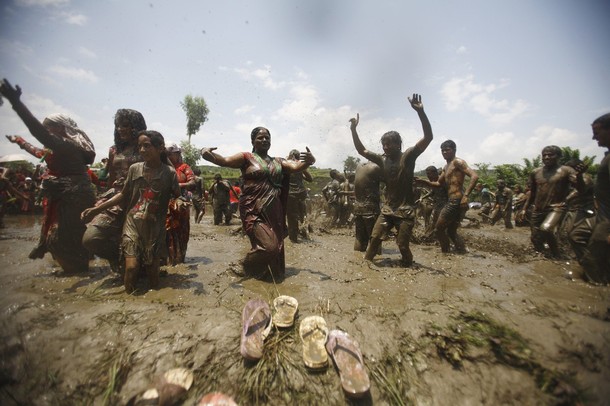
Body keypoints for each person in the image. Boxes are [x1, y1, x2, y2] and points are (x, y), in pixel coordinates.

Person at [1, 78, 96, 273]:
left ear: (60, 129)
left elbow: (37, 133)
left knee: (64, 238)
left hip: (73, 195)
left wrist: (16, 103)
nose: (46, 132)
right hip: (61, 195)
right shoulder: (54, 149)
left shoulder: (67, 145)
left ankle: (76, 271)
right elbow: (36, 150)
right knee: (59, 236)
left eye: (48, 128)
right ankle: (71, 269)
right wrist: (18, 141)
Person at [200, 126, 315, 279]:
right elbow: (224, 161)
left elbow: (295, 167)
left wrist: (309, 162)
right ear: (253, 141)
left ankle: (262, 275)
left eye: (267, 137)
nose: (265, 140)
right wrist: (205, 153)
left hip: (274, 211)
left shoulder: (278, 161)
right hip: (253, 210)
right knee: (269, 247)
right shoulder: (246, 158)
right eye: (260, 137)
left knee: (272, 247)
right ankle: (243, 265)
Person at [82, 131, 180, 293]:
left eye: (146, 146)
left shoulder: (169, 173)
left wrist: (181, 203)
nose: (141, 150)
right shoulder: (135, 169)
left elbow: (178, 196)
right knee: (131, 268)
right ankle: (128, 301)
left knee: (153, 275)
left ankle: (156, 306)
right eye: (139, 146)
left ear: (160, 148)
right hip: (133, 223)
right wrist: (97, 209)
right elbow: (123, 194)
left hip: (154, 228)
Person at [350, 93, 433, 266]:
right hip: (388, 209)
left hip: (406, 211)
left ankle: (409, 265)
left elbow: (428, 138)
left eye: (389, 144)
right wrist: (353, 130)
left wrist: (421, 112)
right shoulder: (382, 160)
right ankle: (366, 265)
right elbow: (362, 151)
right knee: (374, 239)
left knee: (402, 245)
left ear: (398, 145)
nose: (385, 147)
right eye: (383, 144)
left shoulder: (408, 157)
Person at [81, 109, 147, 273]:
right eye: (118, 125)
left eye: (125, 125)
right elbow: (111, 181)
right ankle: (115, 258)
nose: (120, 129)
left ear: (137, 127)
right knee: (91, 239)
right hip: (116, 198)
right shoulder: (113, 151)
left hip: (142, 199)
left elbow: (164, 172)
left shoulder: (147, 148)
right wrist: (101, 202)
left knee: (141, 246)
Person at [521, 145, 585, 258]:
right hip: (538, 208)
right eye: (544, 155)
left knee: (546, 228)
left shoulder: (566, 170)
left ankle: (557, 255)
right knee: (535, 238)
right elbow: (532, 193)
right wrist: (525, 209)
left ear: (559, 156)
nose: (546, 157)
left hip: (557, 207)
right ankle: (542, 257)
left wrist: (579, 177)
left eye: (550, 155)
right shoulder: (535, 172)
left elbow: (580, 188)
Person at [418, 140, 479, 254]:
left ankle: (445, 253)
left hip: (456, 200)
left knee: (438, 229)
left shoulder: (458, 162)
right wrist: (423, 181)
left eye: (447, 150)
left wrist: (466, 196)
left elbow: (474, 176)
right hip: (452, 200)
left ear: (454, 150)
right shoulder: (446, 167)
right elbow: (438, 184)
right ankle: (462, 252)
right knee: (451, 231)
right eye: (442, 150)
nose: (444, 152)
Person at [572, 114, 610, 284]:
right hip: (602, 217)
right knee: (577, 237)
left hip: (606, 222)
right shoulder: (607, 157)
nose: (594, 137)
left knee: (594, 261)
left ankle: (597, 295)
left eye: (597, 132)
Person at [165, 143, 196, 265]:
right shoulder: (163, 168)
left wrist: (177, 186)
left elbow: (192, 183)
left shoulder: (184, 167)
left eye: (170, 154)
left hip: (180, 203)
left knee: (181, 230)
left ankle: (180, 259)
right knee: (167, 231)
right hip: (165, 204)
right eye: (166, 154)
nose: (168, 156)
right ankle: (169, 260)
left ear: (177, 154)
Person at [352, 161, 383, 252]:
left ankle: (357, 258)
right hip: (371, 208)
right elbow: (391, 181)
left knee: (359, 238)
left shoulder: (359, 166)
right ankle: (372, 261)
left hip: (358, 208)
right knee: (375, 238)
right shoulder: (377, 167)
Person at [286, 149, 312, 242]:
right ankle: (306, 233)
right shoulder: (300, 165)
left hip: (291, 194)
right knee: (303, 215)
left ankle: (293, 239)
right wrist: (301, 173)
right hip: (301, 193)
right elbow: (310, 179)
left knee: (292, 217)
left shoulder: (286, 163)